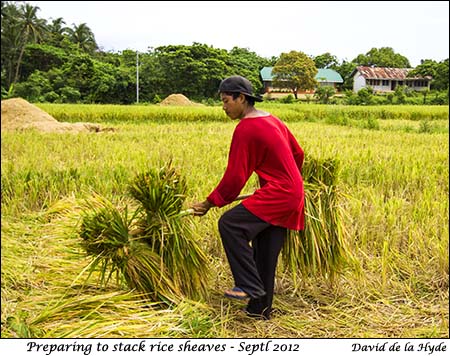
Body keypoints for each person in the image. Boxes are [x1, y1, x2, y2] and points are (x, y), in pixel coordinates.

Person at [191, 75, 305, 320]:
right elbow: (298, 153)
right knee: (265, 251)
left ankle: (247, 285)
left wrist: (210, 202)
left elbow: (235, 177)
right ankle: (259, 309)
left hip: (279, 194)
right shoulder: (272, 119)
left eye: (225, 101)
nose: (223, 107)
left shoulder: (246, 128)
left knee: (230, 224)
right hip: (290, 192)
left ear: (241, 98)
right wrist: (285, 183)